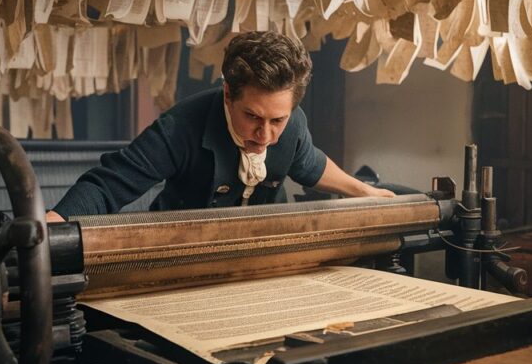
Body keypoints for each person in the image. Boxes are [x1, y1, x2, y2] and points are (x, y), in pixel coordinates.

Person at [46, 31, 394, 221]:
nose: (266, 136)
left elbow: (311, 164)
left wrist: (365, 192)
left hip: (263, 253)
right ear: (228, 94)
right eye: (253, 118)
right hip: (179, 250)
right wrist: (57, 222)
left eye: (278, 121)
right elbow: (109, 185)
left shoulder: (292, 124)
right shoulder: (181, 127)